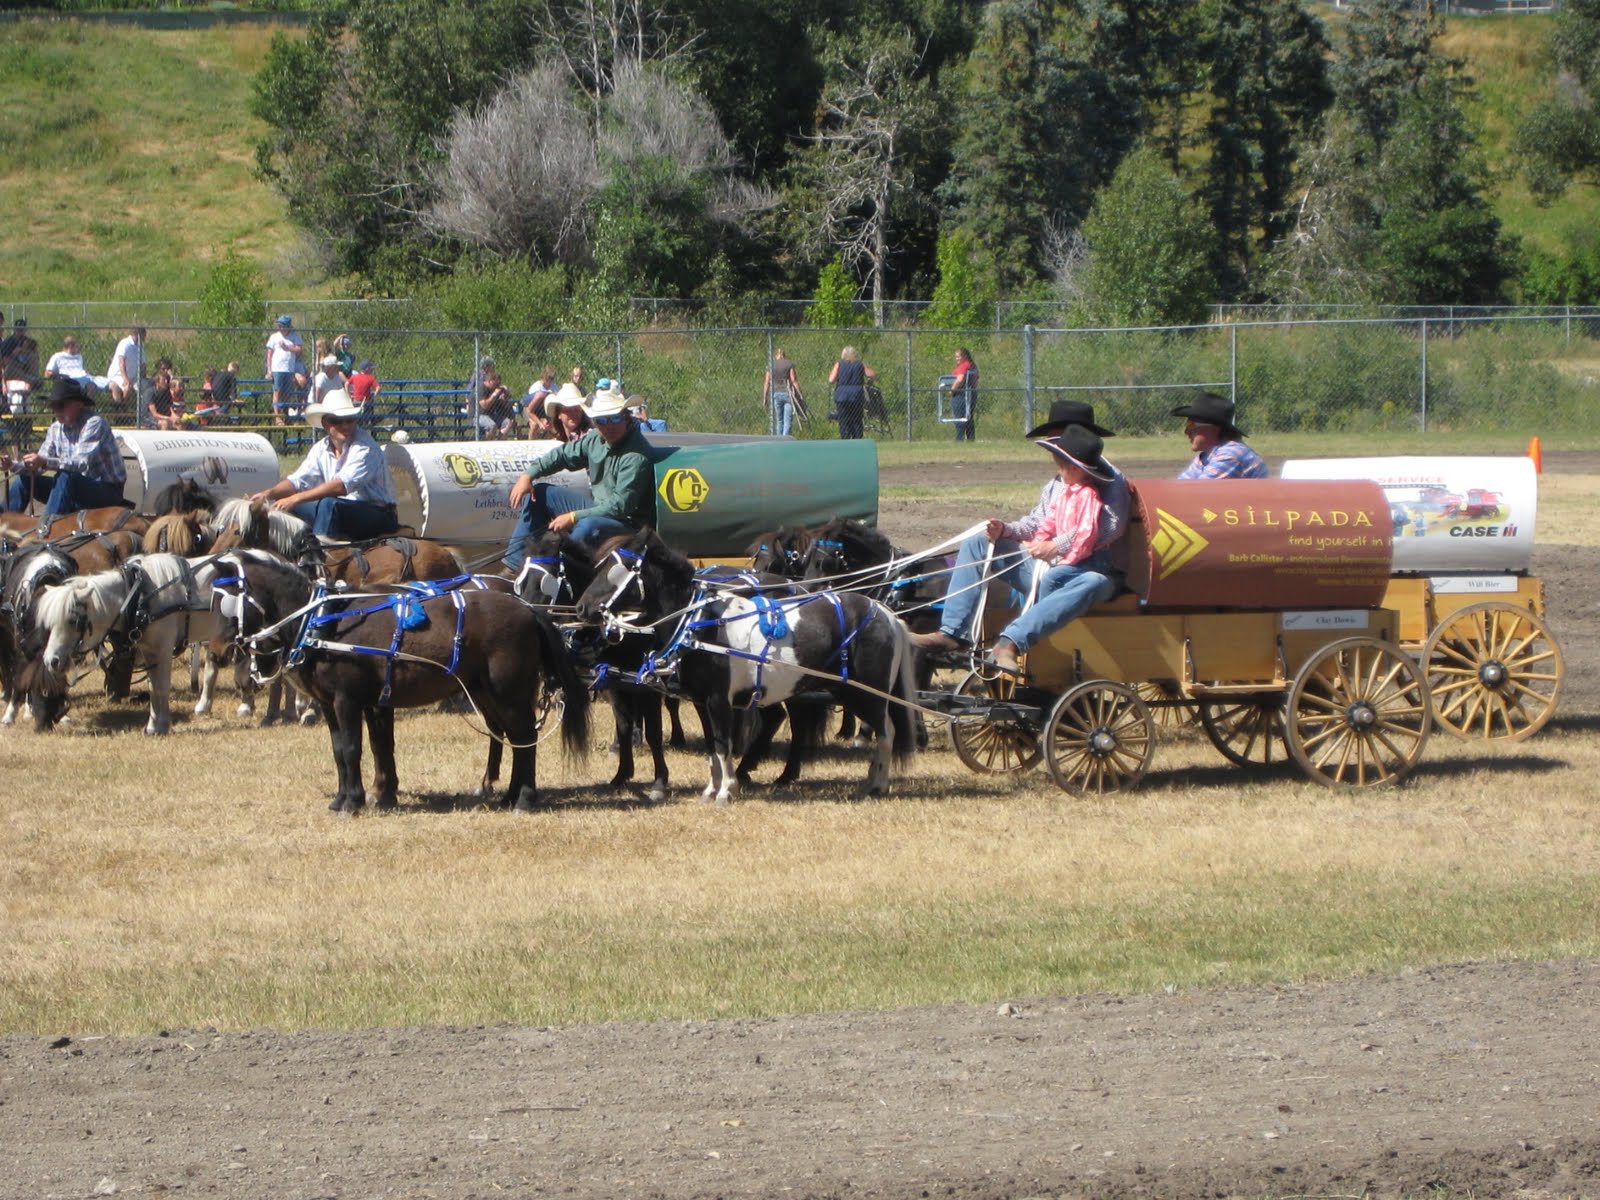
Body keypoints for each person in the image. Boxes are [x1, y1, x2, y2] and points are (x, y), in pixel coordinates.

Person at [910, 400, 1129, 667]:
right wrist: (1006, 530)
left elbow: (1108, 527)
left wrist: (1056, 545)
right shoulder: (1057, 483)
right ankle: (952, 633)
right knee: (978, 542)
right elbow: (1037, 522)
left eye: (1054, 436)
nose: (1050, 443)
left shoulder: (1110, 479)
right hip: (1048, 567)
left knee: (1093, 582)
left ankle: (1009, 643)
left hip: (1089, 570)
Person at [503, 380, 656, 569]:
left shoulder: (636, 455)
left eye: (614, 418)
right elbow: (563, 455)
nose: (608, 426)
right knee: (540, 495)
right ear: (594, 421)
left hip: (627, 524)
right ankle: (513, 569)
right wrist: (529, 475)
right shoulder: (595, 439)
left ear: (626, 417)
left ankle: (560, 574)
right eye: (601, 420)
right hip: (599, 509)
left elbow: (620, 507)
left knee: (587, 527)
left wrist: (573, 516)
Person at [249, 388, 399, 542]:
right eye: (337, 421)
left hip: (380, 514)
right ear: (325, 423)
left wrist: (295, 498)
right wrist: (268, 494)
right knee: (287, 507)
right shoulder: (321, 448)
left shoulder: (365, 448)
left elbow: (341, 486)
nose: (345, 425)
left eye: (350, 419)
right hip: (345, 510)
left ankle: (319, 557)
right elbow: (298, 481)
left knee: (328, 505)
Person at [1, 376, 127, 516]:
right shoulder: (55, 429)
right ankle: (2, 524)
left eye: (61, 405)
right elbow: (37, 467)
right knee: (24, 480)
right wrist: (11, 465)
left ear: (79, 404)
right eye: (54, 406)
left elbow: (81, 464)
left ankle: (45, 532)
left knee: (66, 476)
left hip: (107, 490)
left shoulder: (94, 423)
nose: (57, 410)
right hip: (73, 487)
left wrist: (44, 461)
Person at [1172, 391, 1268, 480]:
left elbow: (1197, 492)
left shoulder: (1229, 455)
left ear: (1214, 428)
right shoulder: (1206, 456)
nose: (1186, 431)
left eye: (1191, 425)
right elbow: (1181, 486)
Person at [828, 346, 877, 440]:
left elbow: (831, 380)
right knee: (857, 420)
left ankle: (845, 440)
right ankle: (857, 440)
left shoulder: (839, 364)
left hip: (842, 397)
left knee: (844, 421)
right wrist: (870, 382)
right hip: (856, 396)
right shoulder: (859, 364)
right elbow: (872, 374)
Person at [265, 315, 305, 427]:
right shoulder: (274, 337)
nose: (280, 327)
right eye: (279, 325)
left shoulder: (294, 336)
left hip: (289, 369)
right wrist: (269, 370)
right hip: (277, 369)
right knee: (277, 392)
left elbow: (299, 349)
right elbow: (269, 354)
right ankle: (277, 417)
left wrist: (288, 348)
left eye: (282, 325)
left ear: (287, 326)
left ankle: (286, 415)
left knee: (288, 394)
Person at [2, 317, 43, 414]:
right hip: (13, 370)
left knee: (32, 357)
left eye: (22, 329)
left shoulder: (29, 341)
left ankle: (32, 379)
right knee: (13, 367)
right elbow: (4, 362)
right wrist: (17, 352)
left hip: (25, 370)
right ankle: (32, 380)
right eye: (18, 329)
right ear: (15, 329)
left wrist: (28, 350)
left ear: (25, 330)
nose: (20, 331)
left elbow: (36, 358)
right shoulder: (8, 342)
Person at [104, 326, 146, 419]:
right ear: (138, 335)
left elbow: (143, 365)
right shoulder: (125, 344)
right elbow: (121, 362)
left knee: (145, 387)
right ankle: (121, 412)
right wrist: (126, 379)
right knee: (127, 387)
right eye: (143, 335)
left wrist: (143, 378)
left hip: (133, 377)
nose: (144, 338)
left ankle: (141, 413)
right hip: (118, 375)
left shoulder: (140, 346)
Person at [763, 347, 804, 436]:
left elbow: (767, 382)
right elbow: (793, 380)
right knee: (787, 419)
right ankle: (786, 438)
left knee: (779, 419)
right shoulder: (789, 364)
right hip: (787, 393)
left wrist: (765, 397)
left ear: (775, 355)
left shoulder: (771, 365)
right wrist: (800, 394)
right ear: (784, 355)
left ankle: (779, 439)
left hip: (776, 393)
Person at [474, 360, 516, 439]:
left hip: (492, 415)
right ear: (489, 381)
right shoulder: (481, 388)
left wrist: (505, 394)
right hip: (479, 415)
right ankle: (487, 444)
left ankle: (500, 442)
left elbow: (506, 402)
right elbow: (484, 405)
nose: (496, 386)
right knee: (492, 425)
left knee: (508, 423)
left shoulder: (495, 388)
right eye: (495, 383)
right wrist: (494, 394)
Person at [145, 359, 186, 430]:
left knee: (179, 422)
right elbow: (154, 414)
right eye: (164, 380)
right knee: (165, 423)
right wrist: (169, 418)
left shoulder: (166, 392)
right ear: (157, 382)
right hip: (148, 418)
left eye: (167, 380)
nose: (166, 382)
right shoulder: (150, 392)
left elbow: (170, 408)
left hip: (163, 417)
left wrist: (174, 416)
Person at [949, 348, 978, 442]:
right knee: (969, 417)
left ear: (965, 356)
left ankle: (959, 439)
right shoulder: (973, 366)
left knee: (959, 417)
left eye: (958, 356)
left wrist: (952, 390)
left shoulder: (964, 366)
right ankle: (970, 438)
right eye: (956, 357)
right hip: (971, 394)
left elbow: (960, 379)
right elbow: (976, 381)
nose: (957, 359)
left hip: (960, 395)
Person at [524, 367, 557, 437]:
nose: (550, 380)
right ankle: (531, 445)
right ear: (544, 377)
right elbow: (529, 411)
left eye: (552, 378)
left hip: (543, 409)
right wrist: (540, 423)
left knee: (551, 425)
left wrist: (549, 420)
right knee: (534, 425)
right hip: (529, 408)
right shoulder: (536, 388)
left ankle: (546, 443)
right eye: (548, 378)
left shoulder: (554, 387)